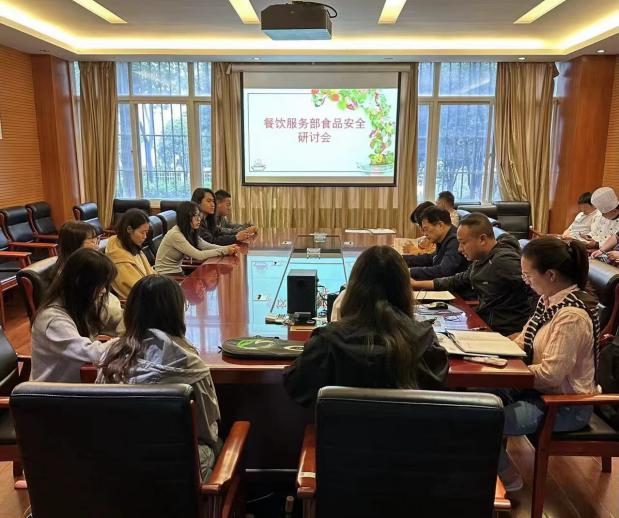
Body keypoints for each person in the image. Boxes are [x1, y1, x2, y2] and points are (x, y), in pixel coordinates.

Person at [283, 245, 449, 407]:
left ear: (352, 289)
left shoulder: (327, 340)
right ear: (405, 290)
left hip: (343, 426)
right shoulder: (424, 339)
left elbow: (296, 386)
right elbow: (435, 388)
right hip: (406, 427)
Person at [496, 237, 599, 491]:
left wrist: (510, 370)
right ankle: (488, 471)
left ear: (550, 275)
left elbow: (550, 375)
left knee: (481, 420)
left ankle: (509, 480)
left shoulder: (571, 316)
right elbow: (522, 341)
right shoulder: (550, 301)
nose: (525, 280)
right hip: (537, 393)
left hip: (563, 406)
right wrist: (492, 352)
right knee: (477, 400)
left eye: (527, 275)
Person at [97, 275, 222, 479]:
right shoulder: (190, 364)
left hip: (118, 467)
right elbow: (207, 432)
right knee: (219, 444)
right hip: (176, 472)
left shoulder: (110, 357)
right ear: (176, 313)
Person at [412, 213, 532, 336]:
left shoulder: (503, 261)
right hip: (483, 322)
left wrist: (524, 334)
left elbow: (536, 292)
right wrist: (416, 284)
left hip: (501, 332)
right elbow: (458, 280)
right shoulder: (482, 258)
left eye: (463, 243)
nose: (459, 249)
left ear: (482, 239)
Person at [31, 248, 119, 383]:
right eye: (100, 285)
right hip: (53, 392)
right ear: (82, 284)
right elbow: (92, 353)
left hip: (75, 384)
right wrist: (125, 343)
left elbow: (114, 317)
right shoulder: (53, 320)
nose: (103, 291)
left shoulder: (79, 304)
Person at [155, 201, 239, 276]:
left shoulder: (189, 230)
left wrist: (227, 248)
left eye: (199, 215)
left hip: (178, 272)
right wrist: (225, 250)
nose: (199, 219)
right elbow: (199, 255)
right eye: (195, 216)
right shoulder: (175, 234)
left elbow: (206, 246)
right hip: (166, 276)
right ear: (185, 218)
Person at [405, 206, 468, 280]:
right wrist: (402, 259)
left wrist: (410, 271)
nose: (425, 234)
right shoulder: (443, 238)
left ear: (440, 225)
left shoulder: (454, 240)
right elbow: (431, 258)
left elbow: (443, 271)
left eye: (426, 229)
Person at [105, 208, 155, 299]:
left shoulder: (132, 246)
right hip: (139, 302)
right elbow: (138, 290)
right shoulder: (119, 258)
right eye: (142, 232)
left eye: (146, 232)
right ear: (129, 229)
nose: (145, 237)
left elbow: (151, 274)